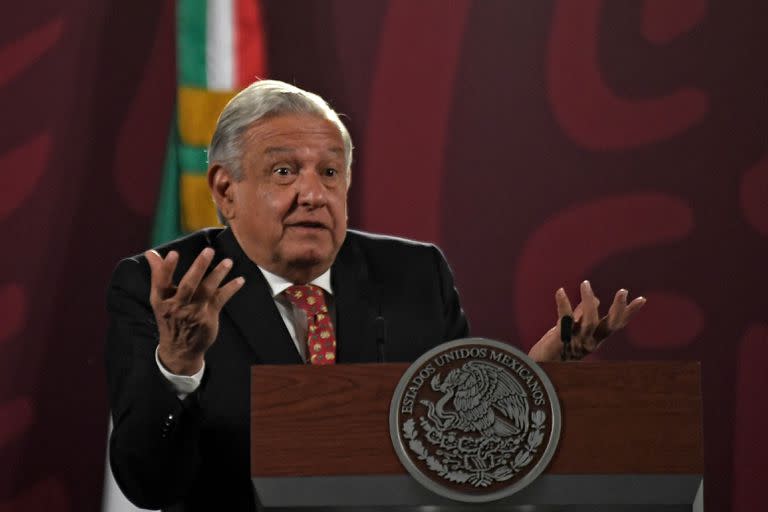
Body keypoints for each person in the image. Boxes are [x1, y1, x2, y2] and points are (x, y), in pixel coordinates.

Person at [105, 80, 645, 511]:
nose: (313, 194)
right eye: (285, 171)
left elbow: (456, 444)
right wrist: (177, 363)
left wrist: (535, 377)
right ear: (226, 189)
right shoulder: (165, 289)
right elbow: (147, 484)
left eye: (331, 172)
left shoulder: (414, 274)